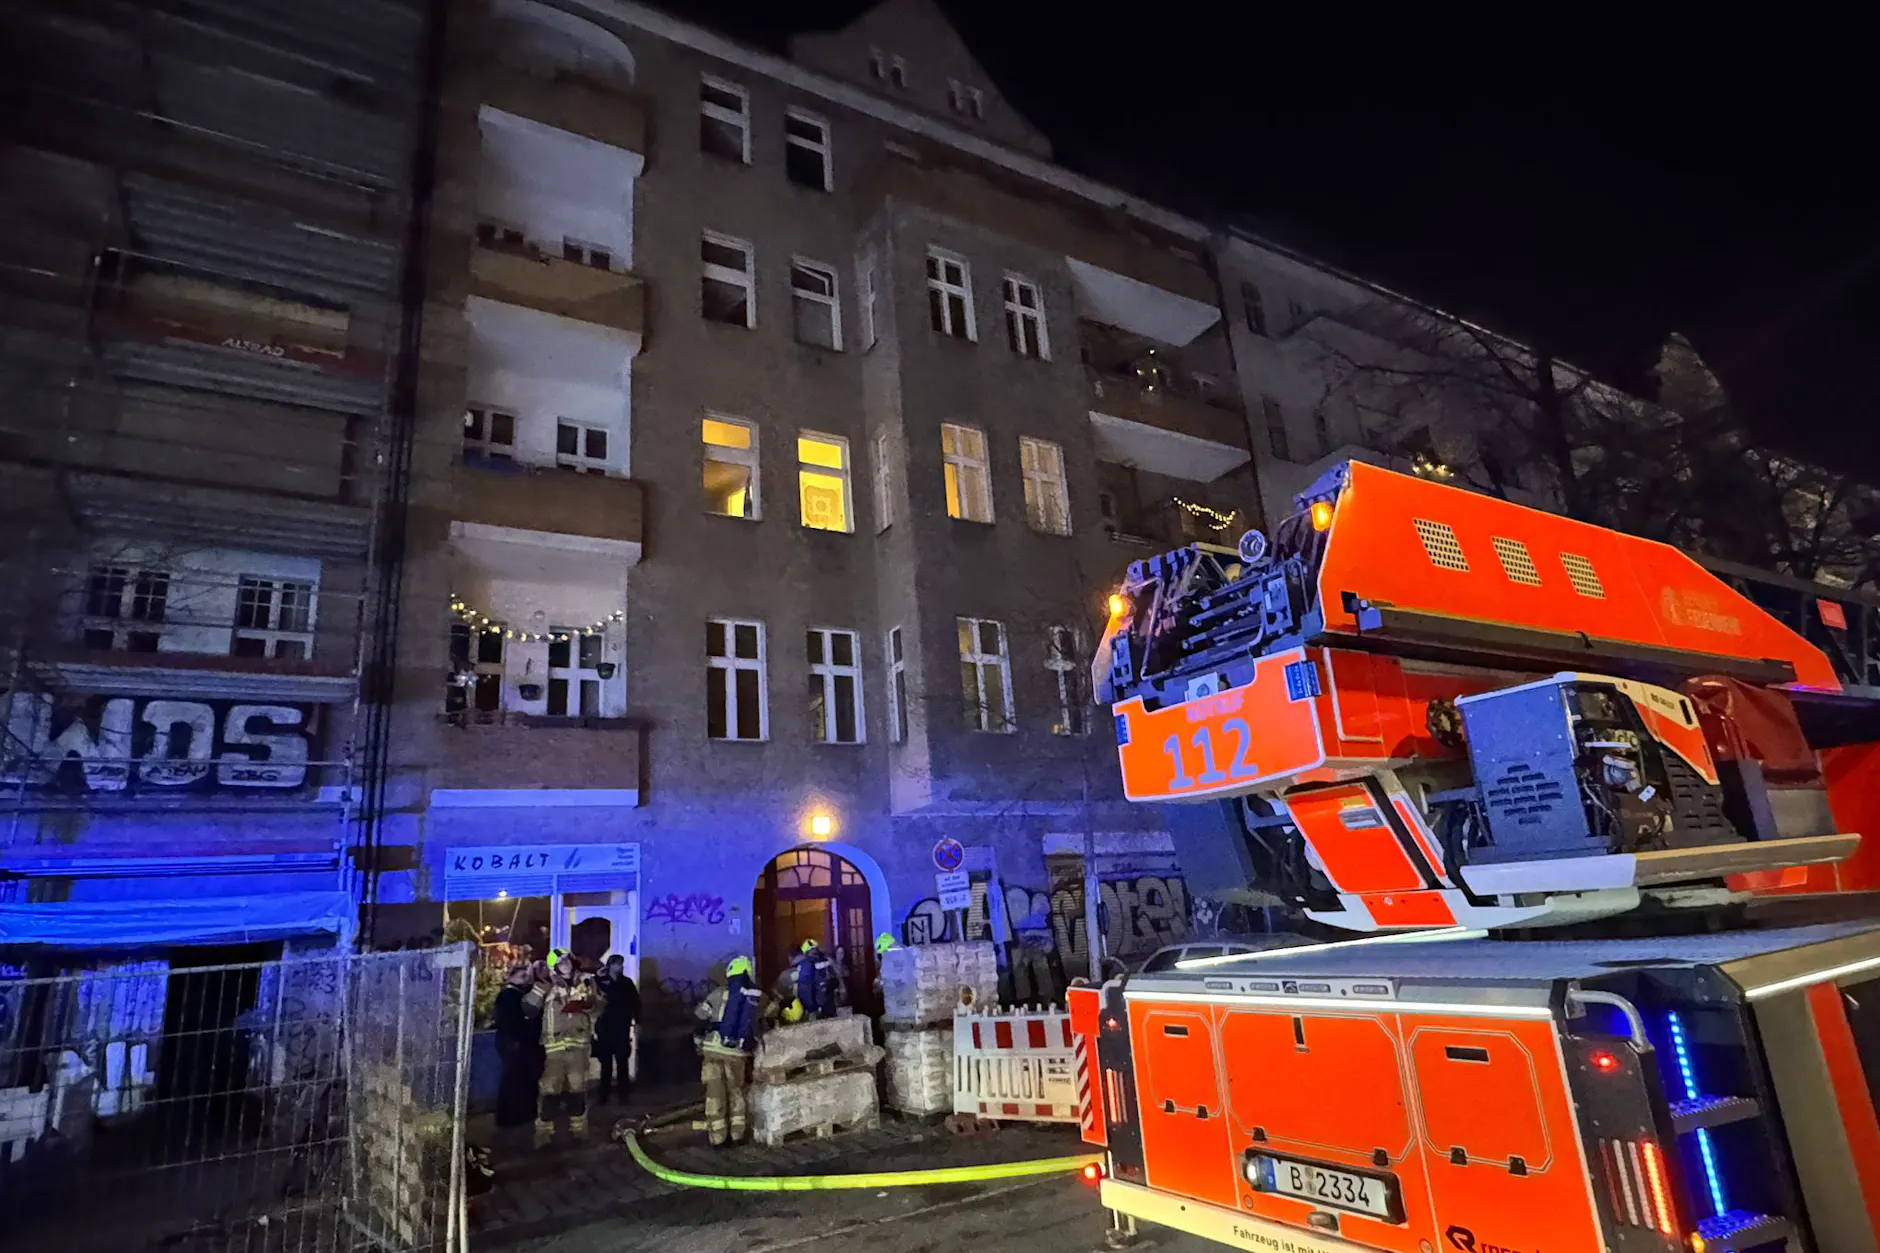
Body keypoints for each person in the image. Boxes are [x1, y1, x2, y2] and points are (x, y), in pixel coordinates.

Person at [528, 949, 601, 1149]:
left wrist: (588, 1004)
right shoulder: (547, 985)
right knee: (550, 1090)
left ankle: (578, 1130)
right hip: (554, 1050)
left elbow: (600, 1006)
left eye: (567, 960)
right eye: (560, 963)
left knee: (578, 1089)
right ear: (554, 967)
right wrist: (540, 987)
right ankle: (543, 1134)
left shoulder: (585, 981)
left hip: (579, 1046)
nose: (565, 964)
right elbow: (528, 1009)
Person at [694, 956, 766, 1147]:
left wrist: (699, 1040)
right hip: (739, 1054)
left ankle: (717, 1138)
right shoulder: (758, 997)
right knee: (737, 1093)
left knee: (715, 1094)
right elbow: (770, 1015)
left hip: (714, 1051)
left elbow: (700, 1016)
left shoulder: (718, 994)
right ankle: (737, 1135)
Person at [491, 961, 544, 1154]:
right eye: (521, 976)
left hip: (518, 1045)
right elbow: (512, 1022)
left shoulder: (517, 995)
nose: (525, 980)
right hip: (515, 1046)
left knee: (519, 1082)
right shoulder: (508, 996)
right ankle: (511, 1118)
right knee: (514, 1082)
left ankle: (518, 1116)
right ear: (511, 978)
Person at [593, 952, 639, 1105]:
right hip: (605, 1027)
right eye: (618, 964)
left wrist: (637, 1022)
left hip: (621, 1026)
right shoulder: (601, 982)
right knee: (605, 1064)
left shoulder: (626, 983)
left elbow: (636, 1003)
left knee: (622, 1063)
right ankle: (603, 1095)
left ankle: (623, 1095)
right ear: (610, 965)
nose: (621, 967)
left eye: (621, 964)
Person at [788, 938, 839, 1021]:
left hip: (817, 1009)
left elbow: (804, 990)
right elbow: (835, 981)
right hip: (827, 1007)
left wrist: (811, 1009)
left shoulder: (805, 965)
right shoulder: (826, 961)